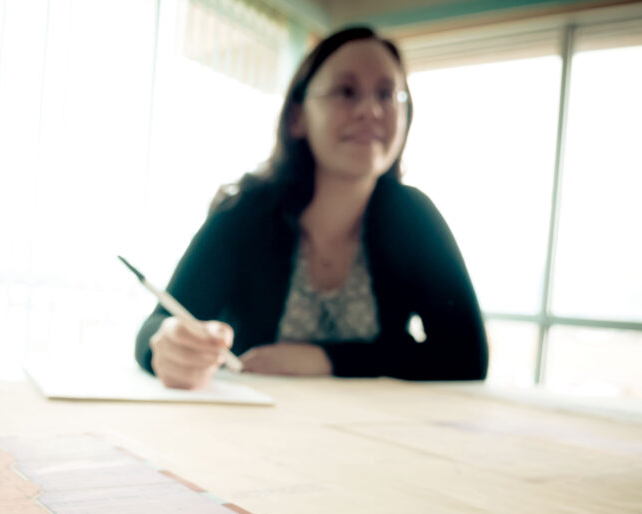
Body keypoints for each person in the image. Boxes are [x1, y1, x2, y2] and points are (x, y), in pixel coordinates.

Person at [135, 26, 488, 389]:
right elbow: (156, 326)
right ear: (297, 117)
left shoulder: (414, 217)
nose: (371, 110)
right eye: (346, 92)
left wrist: (324, 359)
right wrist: (166, 345)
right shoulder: (245, 214)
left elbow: (466, 356)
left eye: (387, 94)